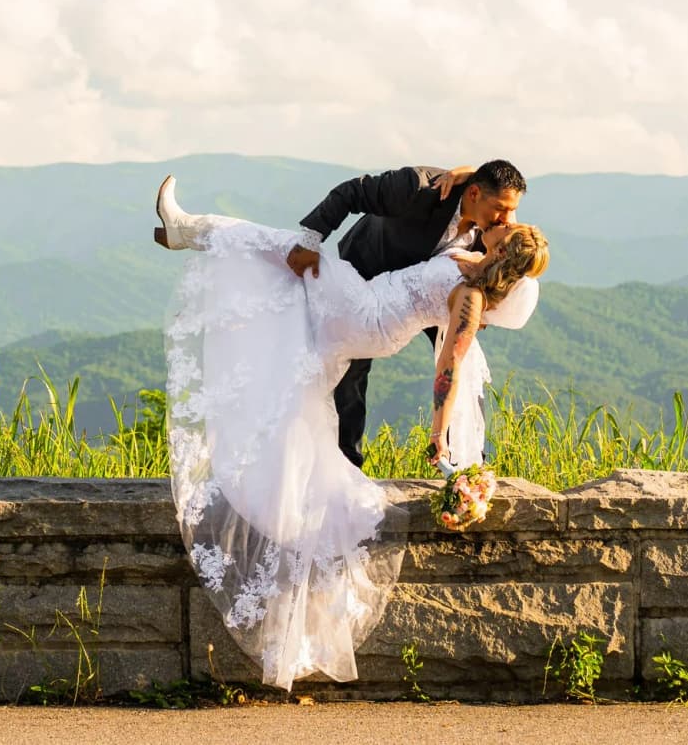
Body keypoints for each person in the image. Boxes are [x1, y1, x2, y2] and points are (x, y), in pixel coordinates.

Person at [153, 175, 547, 691]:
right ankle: (193, 236)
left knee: (287, 252)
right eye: (504, 214)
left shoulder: (470, 295)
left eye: (508, 229)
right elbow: (477, 201)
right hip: (365, 308)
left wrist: (439, 432)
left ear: (502, 255)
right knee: (287, 293)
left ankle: (189, 230)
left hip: (364, 316)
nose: (505, 222)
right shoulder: (470, 255)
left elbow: (448, 366)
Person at [285, 160, 528, 467]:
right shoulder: (418, 188)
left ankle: (466, 465)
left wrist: (482, 310)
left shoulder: (493, 227)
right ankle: (346, 466)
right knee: (351, 371)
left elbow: (505, 264)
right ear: (475, 193)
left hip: (433, 294)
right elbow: (352, 191)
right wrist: (310, 241)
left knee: (463, 365)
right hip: (369, 277)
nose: (508, 219)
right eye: (501, 209)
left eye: (512, 210)